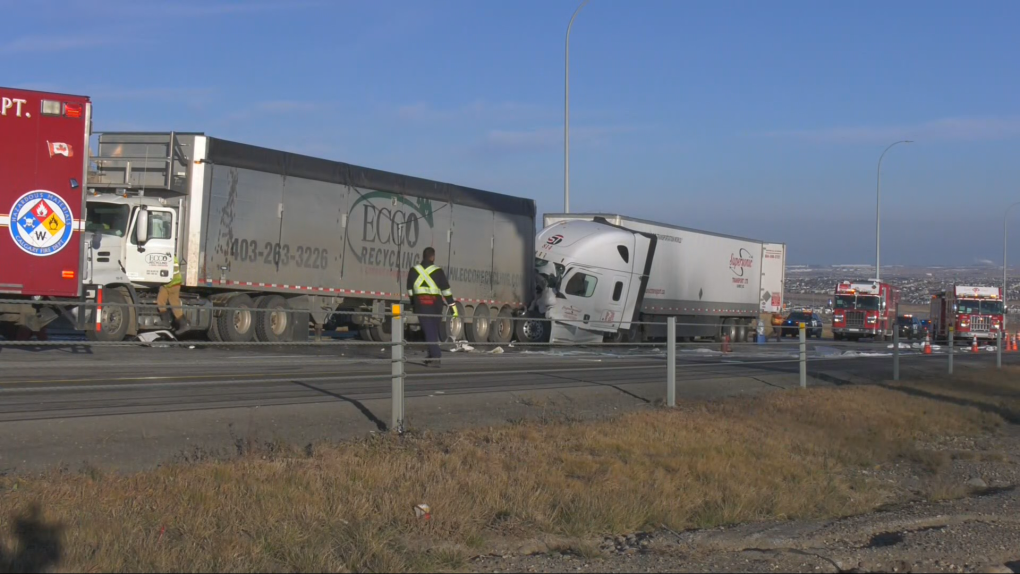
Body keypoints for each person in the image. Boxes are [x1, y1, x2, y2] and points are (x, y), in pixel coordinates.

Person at [407, 247, 457, 366]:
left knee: (429, 331)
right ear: (433, 257)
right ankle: (433, 355)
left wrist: (413, 302)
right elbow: (446, 291)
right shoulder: (438, 271)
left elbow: (409, 289)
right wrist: (452, 306)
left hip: (421, 304)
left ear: (423, 256)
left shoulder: (413, 270)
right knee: (432, 330)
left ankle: (435, 356)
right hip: (436, 305)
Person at [157, 256, 191, 334]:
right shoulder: (172, 257)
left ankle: (182, 324)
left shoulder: (168, 258)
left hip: (171, 284)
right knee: (166, 302)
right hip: (171, 284)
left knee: (169, 303)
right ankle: (168, 321)